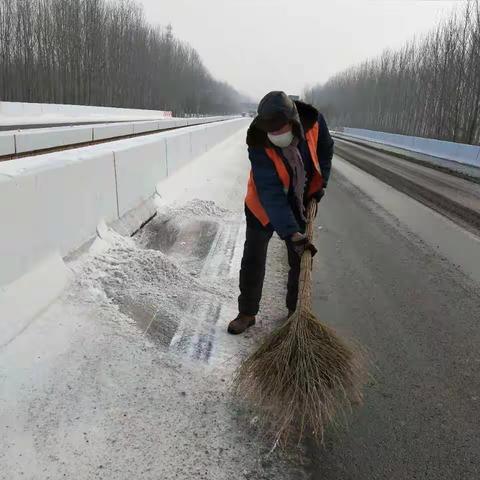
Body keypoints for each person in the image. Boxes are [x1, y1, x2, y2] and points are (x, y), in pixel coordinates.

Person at [228, 91, 334, 334]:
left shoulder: (315, 123)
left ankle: (294, 314)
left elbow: (326, 151)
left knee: (299, 259)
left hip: (299, 199)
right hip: (263, 203)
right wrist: (290, 232)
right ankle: (247, 312)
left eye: (279, 130)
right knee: (253, 256)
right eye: (271, 132)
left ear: (293, 121)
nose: (275, 136)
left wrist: (320, 186)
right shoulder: (256, 140)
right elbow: (271, 192)